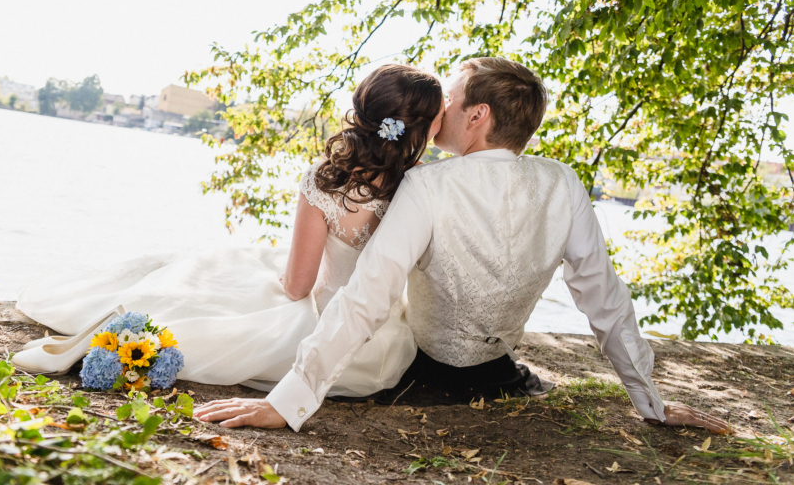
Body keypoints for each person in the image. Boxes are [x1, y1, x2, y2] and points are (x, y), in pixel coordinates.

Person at [194, 57, 729, 435]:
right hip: (498, 368)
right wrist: (648, 400)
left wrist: (288, 404)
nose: (437, 113)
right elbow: (604, 298)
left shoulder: (427, 185)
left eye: (449, 101)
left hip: (420, 367)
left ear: (478, 117)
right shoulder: (564, 182)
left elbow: (367, 297)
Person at [15, 64, 445, 397]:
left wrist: (278, 283)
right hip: (379, 352)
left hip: (325, 327)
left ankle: (122, 332)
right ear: (420, 127)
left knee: (224, 283)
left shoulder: (326, 179)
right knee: (235, 273)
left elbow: (298, 288)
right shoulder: (424, 186)